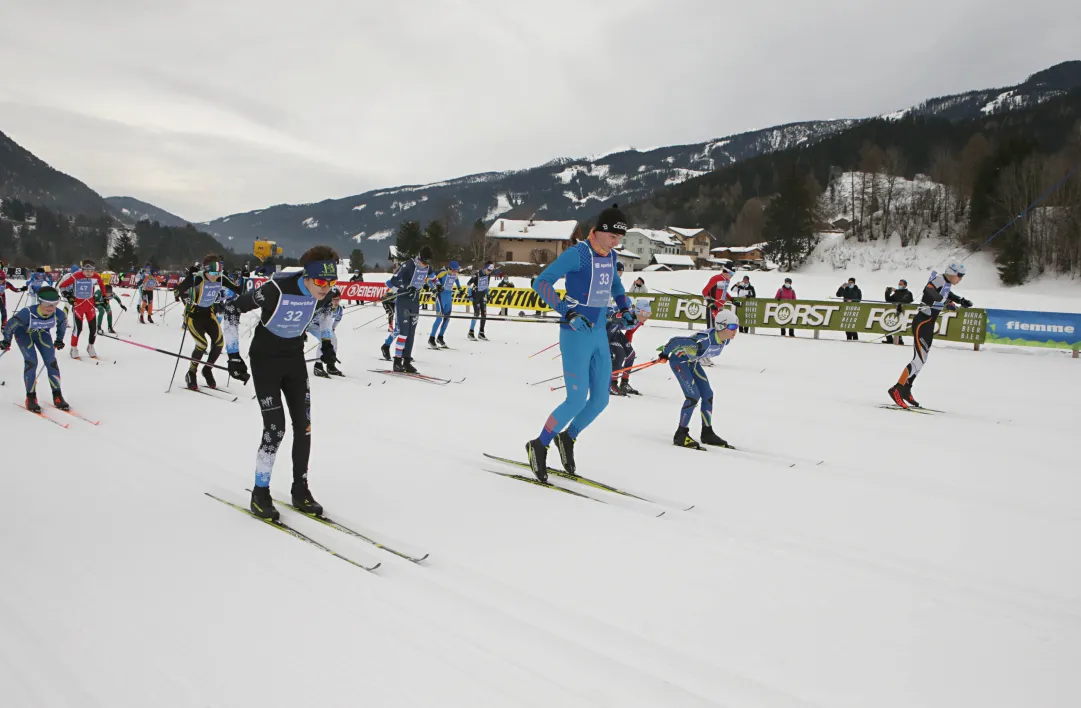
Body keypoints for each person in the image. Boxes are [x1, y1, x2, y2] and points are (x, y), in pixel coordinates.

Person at [221, 246, 339, 520]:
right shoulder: (276, 288)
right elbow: (231, 310)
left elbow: (324, 317)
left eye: (332, 282)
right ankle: (260, 493)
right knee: (275, 430)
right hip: (265, 361)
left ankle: (301, 489)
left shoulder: (324, 294)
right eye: (321, 282)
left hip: (294, 360)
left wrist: (326, 343)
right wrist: (233, 355)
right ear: (307, 277)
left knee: (304, 427)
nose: (326, 288)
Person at [525, 203, 634, 481]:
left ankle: (568, 438)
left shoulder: (610, 257)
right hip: (575, 334)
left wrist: (625, 308)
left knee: (600, 400)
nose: (616, 242)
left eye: (620, 238)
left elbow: (616, 287)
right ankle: (539, 443)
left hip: (598, 334)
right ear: (598, 232)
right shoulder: (578, 255)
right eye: (613, 236)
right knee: (575, 399)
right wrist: (567, 312)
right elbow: (542, 282)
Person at [888, 263, 972, 409]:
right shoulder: (940, 279)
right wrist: (945, 302)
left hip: (928, 323)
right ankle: (897, 388)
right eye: (960, 275)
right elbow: (928, 290)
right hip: (923, 321)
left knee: (922, 360)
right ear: (952, 273)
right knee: (918, 359)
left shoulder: (945, 282)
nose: (960, 279)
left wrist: (960, 300)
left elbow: (946, 293)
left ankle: (906, 389)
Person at [657, 309, 739, 449]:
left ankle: (707, 432)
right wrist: (664, 354)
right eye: (732, 327)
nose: (735, 330)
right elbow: (675, 341)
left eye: (736, 326)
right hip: (679, 362)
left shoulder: (724, 341)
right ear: (721, 326)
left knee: (707, 395)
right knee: (693, 396)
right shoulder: (703, 342)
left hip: (692, 362)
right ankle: (681, 434)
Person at [173, 254, 242, 390]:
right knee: (202, 344)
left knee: (219, 343)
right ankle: (191, 373)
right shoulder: (198, 278)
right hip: (193, 315)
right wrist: (189, 278)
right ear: (205, 270)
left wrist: (243, 279)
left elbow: (239, 290)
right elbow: (177, 291)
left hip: (209, 315)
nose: (216, 276)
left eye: (218, 272)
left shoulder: (221, 278)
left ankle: (207, 369)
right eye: (213, 272)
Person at [1, 286, 70, 412]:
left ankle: (57, 395)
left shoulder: (58, 314)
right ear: (40, 302)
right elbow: (10, 325)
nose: (50, 308)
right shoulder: (27, 313)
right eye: (46, 304)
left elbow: (62, 325)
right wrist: (6, 340)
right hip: (24, 335)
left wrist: (59, 339)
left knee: (51, 362)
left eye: (54, 304)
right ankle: (31, 397)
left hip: (42, 334)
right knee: (32, 362)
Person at [385, 246, 431, 373]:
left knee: (411, 334)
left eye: (426, 263)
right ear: (419, 258)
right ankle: (397, 361)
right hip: (403, 302)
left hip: (415, 302)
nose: (424, 265)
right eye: (422, 261)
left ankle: (407, 362)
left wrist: (436, 286)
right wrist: (406, 286)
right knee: (403, 332)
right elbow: (393, 281)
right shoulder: (408, 265)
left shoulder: (426, 266)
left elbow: (432, 276)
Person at [56, 259, 106, 359]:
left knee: (93, 329)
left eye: (92, 271)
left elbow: (102, 286)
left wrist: (104, 297)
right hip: (78, 306)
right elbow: (62, 286)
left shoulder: (96, 276)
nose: (89, 273)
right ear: (82, 269)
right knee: (78, 329)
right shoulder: (76, 275)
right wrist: (68, 295)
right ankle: (74, 349)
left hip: (90, 306)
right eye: (87, 271)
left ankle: (90, 347)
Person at [607, 297, 651, 396]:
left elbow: (630, 333)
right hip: (607, 333)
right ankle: (611, 383)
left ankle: (624, 383)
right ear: (639, 311)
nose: (647, 317)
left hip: (616, 333)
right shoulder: (627, 313)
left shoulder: (639, 320)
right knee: (620, 354)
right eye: (646, 314)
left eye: (649, 314)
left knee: (631, 354)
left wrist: (627, 345)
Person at [311, 287, 344, 377]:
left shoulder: (339, 309)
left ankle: (330, 364)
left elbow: (337, 320)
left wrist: (332, 329)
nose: (336, 302)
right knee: (324, 340)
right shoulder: (323, 307)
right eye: (334, 300)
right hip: (312, 325)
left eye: (338, 300)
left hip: (324, 326)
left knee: (334, 340)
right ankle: (318, 365)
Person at [428, 260, 460, 349]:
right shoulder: (442, 273)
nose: (455, 273)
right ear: (450, 268)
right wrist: (433, 288)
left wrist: (460, 289)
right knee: (439, 318)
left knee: (447, 318)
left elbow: (457, 281)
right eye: (454, 270)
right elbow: (429, 280)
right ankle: (431, 338)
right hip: (440, 297)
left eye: (456, 271)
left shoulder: (455, 274)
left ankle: (440, 337)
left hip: (449, 297)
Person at [467, 261, 495, 340]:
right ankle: (471, 332)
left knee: (484, 314)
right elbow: (468, 284)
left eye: (491, 271)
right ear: (485, 268)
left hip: (482, 295)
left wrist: (488, 295)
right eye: (489, 270)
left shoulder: (488, 275)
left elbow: (486, 286)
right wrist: (470, 294)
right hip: (476, 295)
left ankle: (481, 333)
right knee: (477, 313)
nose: (490, 272)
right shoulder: (477, 274)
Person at [884, 279, 914, 344]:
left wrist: (900, 305)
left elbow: (907, 300)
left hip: (903, 312)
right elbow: (888, 300)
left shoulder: (908, 293)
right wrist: (887, 292)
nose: (899, 285)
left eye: (901, 284)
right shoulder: (896, 293)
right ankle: (889, 339)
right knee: (888, 324)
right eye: (899, 284)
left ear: (905, 285)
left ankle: (899, 340)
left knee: (898, 327)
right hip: (894, 312)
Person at [0, 260, 21, 328]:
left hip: (1, 299)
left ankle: (3, 325)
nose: (1, 281)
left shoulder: (6, 283)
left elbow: (15, 289)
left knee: (4, 312)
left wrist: (22, 289)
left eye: (2, 279)